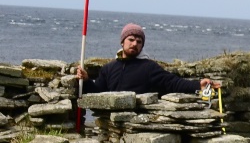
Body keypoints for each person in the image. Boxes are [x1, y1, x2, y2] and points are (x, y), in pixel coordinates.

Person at [75, 23, 220, 95]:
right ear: (122, 42)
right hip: (109, 127)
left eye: (139, 42)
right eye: (131, 39)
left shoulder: (149, 67)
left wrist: (198, 85)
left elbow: (173, 82)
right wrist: (87, 80)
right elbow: (99, 92)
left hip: (136, 126)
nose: (134, 44)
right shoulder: (109, 68)